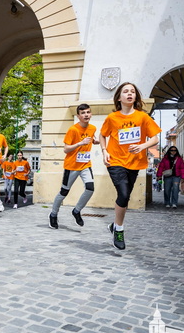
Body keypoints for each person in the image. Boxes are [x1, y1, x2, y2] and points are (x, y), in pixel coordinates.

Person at [99, 82, 161, 250]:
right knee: (124, 193)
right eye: (125, 91)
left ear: (135, 97)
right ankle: (119, 230)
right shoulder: (112, 118)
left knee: (125, 198)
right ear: (119, 97)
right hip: (115, 161)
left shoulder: (142, 117)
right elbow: (102, 135)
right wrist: (104, 151)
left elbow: (155, 138)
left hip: (134, 162)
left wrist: (142, 146)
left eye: (132, 91)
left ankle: (114, 225)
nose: (129, 94)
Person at [49, 103, 98, 229]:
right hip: (71, 166)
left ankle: (76, 211)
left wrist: (96, 141)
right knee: (64, 192)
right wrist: (80, 143)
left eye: (88, 112)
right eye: (83, 113)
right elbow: (66, 149)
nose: (86, 115)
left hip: (85, 164)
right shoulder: (73, 130)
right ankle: (53, 214)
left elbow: (91, 138)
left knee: (90, 188)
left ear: (91, 114)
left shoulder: (93, 128)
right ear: (78, 116)